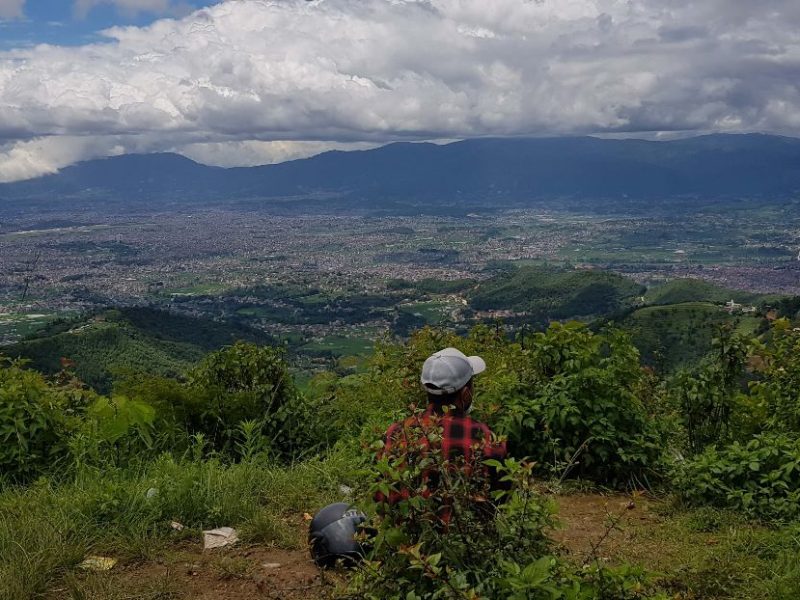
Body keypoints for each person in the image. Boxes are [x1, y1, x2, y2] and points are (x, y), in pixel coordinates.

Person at [375, 347, 508, 521]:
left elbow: (380, 496)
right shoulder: (485, 437)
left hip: (406, 541)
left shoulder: (396, 433)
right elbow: (501, 498)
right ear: (466, 394)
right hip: (468, 542)